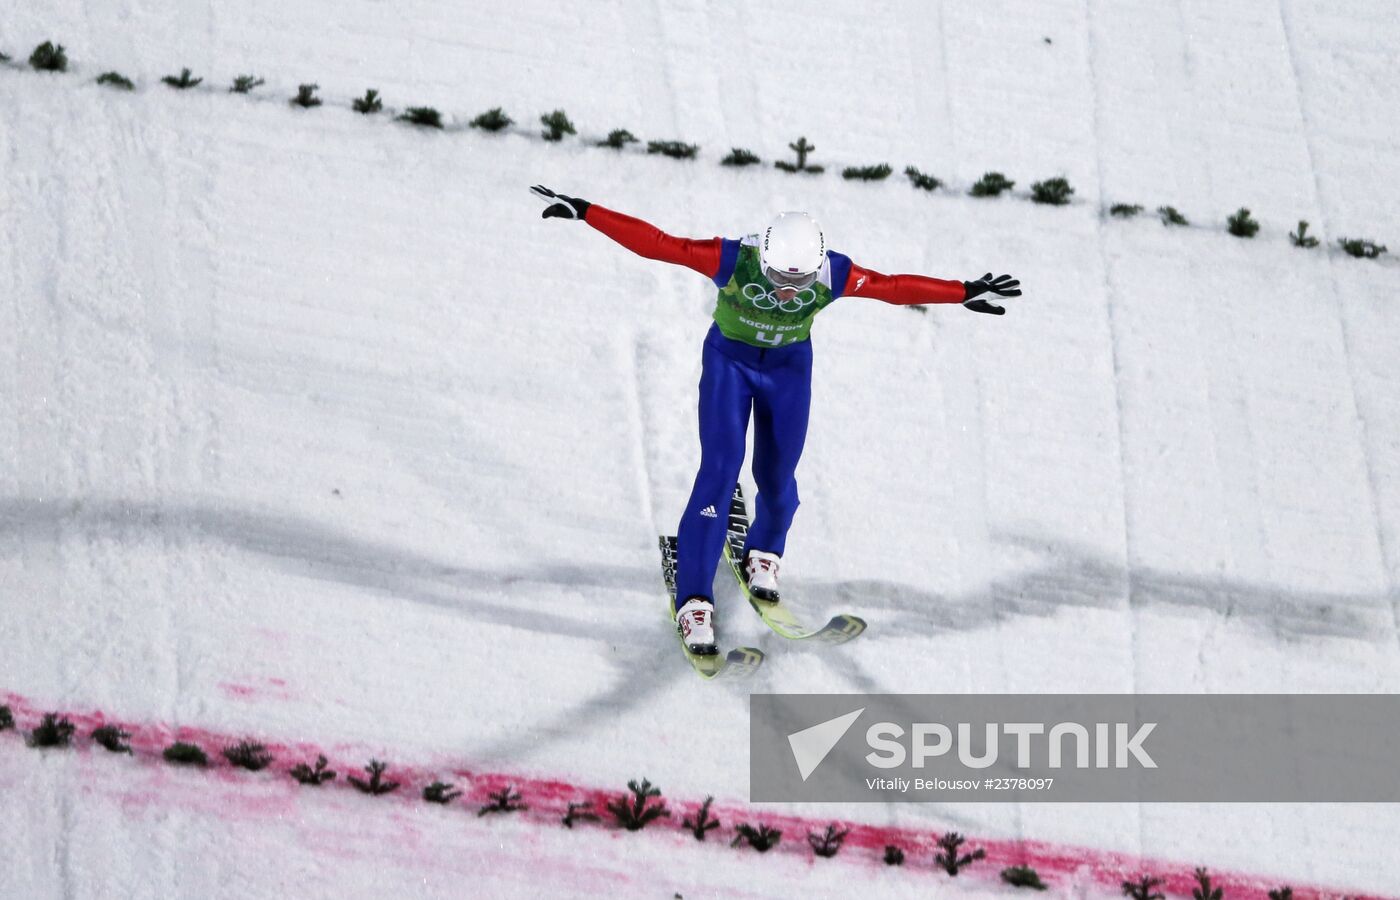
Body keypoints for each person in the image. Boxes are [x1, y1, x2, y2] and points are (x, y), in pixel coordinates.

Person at [531, 185, 1022, 655]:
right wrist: (586, 211)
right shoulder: (732, 259)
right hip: (730, 366)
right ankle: (695, 600)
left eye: (800, 282)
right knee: (719, 472)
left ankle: (765, 552)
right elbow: (661, 245)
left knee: (778, 478)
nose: (789, 292)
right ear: (762, 260)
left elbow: (891, 288)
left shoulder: (833, 274)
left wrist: (962, 292)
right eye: (779, 280)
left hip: (788, 372)